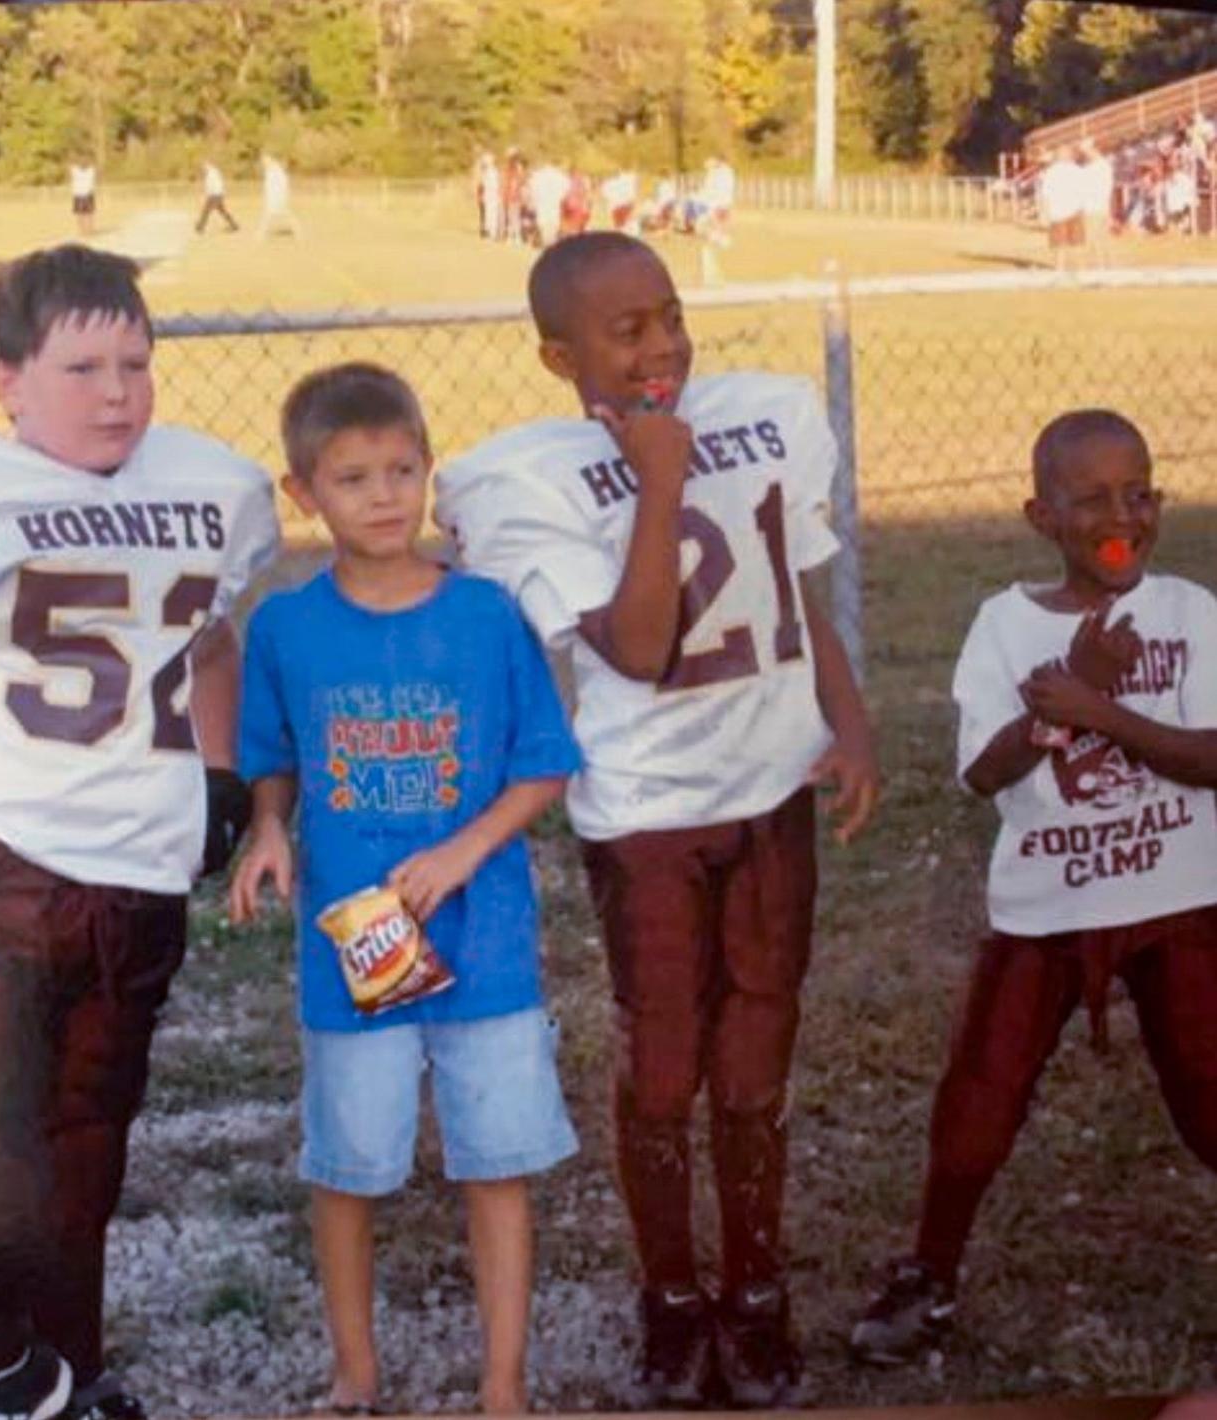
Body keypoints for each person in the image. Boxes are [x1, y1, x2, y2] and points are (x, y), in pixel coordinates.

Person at [434, 232, 878, 1409]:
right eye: (626, 330)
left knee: (755, 1062)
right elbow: (634, 647)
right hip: (647, 818)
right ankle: (672, 1294)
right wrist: (660, 475)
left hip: (770, 785)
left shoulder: (766, 411)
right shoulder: (530, 474)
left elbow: (796, 594)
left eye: (670, 314)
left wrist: (852, 720)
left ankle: (758, 1287)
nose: (663, 343)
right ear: (557, 355)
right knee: (666, 1064)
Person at [230, 362, 581, 1416]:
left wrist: (465, 850)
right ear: (305, 495)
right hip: (355, 949)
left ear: (429, 470)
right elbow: (270, 754)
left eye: (402, 469)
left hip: (486, 949)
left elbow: (545, 763)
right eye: (352, 477)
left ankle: (505, 1381)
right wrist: (268, 827)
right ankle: (356, 1369)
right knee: (347, 1163)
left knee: (496, 1160)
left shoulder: (484, 615)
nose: (384, 495)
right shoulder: (288, 629)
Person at [0, 244, 279, 1420]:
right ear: (4, 378)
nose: (118, 392)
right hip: (7, 848)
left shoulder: (214, 484)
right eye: (83, 365)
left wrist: (217, 773)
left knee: (91, 1130)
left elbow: (206, 641)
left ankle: (62, 1366)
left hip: (142, 856)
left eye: (137, 363)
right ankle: (2, 1361)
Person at [850, 409, 1217, 1366]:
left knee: (1212, 1093)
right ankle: (929, 1271)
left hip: (1178, 902)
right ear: (1039, 516)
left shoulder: (1188, 611)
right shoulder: (1005, 626)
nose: (1122, 515)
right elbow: (983, 772)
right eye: (1092, 498)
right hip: (1048, 911)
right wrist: (1054, 702)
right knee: (981, 1097)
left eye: (1140, 493)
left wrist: (1099, 706)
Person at [1038, 146, 1084, 270]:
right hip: (1067, 210)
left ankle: (1064, 268)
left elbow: (1045, 194)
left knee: (1064, 243)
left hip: (1063, 211)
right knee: (1072, 242)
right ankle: (1075, 268)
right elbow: (1045, 194)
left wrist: (1044, 213)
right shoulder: (1076, 170)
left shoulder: (1052, 171)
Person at [1077, 138, 1113, 266]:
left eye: (1086, 151)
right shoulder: (1089, 167)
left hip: (1095, 206)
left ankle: (1100, 267)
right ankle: (1099, 267)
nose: (1084, 154)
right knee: (1094, 240)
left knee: (1096, 239)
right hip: (1091, 206)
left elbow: (1107, 189)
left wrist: (1108, 211)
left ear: (1093, 149)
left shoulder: (1101, 166)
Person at [256, 153, 301, 240]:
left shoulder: (276, 172)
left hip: (277, 198)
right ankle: (297, 232)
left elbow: (280, 186)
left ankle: (260, 234)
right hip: (275, 198)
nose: (263, 163)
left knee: (276, 215)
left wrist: (278, 196)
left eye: (265, 160)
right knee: (276, 215)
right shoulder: (271, 172)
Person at [195, 161, 239, 235]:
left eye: (204, 166)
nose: (203, 169)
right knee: (222, 211)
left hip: (214, 195)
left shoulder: (211, 174)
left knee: (206, 211)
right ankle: (234, 226)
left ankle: (200, 227)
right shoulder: (214, 172)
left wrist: (208, 195)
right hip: (217, 194)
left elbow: (210, 186)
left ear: (208, 165)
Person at [69, 162, 97, 238]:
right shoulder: (75, 171)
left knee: (89, 213)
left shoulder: (90, 171)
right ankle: (82, 230)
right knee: (80, 214)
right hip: (78, 194)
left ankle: (89, 230)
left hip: (87, 194)